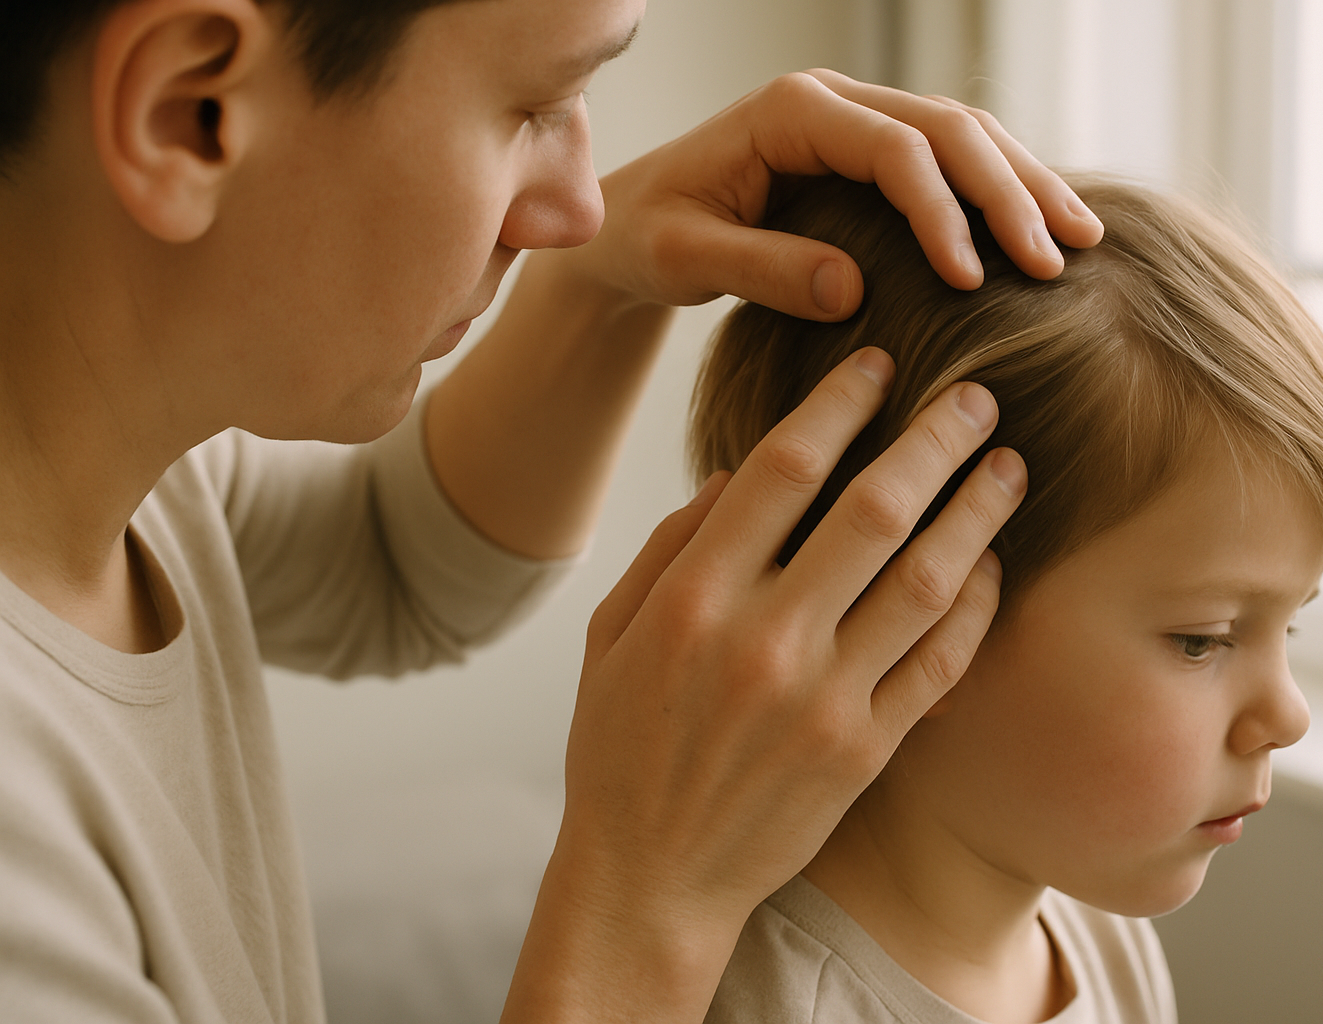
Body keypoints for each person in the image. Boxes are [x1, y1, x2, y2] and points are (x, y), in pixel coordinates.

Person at [0, 1, 1113, 1022]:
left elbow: (389, 565)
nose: (578, 206)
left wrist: (604, 281)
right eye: (534, 109)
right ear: (189, 114)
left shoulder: (122, 460)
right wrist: (647, 895)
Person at [688, 173, 1323, 1023]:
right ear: (914, 609)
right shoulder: (766, 1005)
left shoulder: (1099, 943)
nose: (1288, 715)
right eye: (1205, 639)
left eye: (1291, 624)